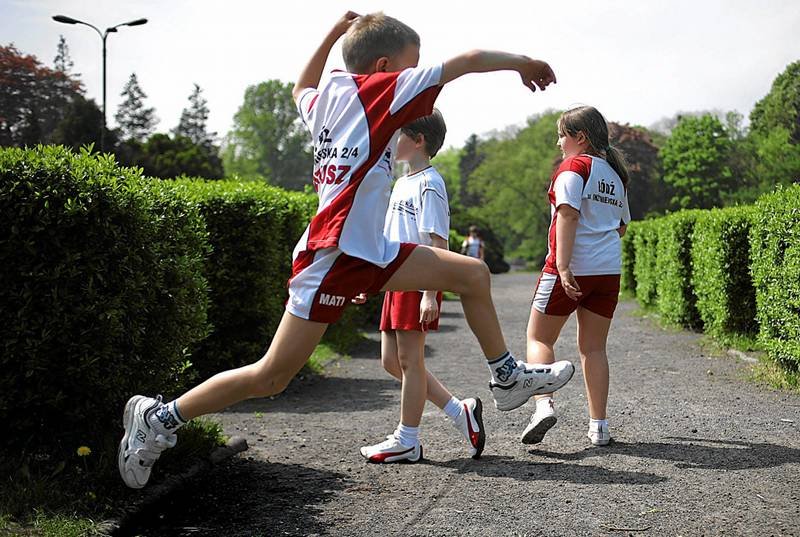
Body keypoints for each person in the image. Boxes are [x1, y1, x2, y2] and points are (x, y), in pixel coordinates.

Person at [118, 11, 575, 489]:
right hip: (334, 256)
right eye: (407, 67)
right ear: (382, 67)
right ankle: (160, 417)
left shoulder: (326, 101)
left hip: (371, 251)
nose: (412, 79)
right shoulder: (382, 91)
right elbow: (468, 61)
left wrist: (333, 34)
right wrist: (523, 62)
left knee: (473, 275)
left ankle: (506, 377)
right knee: (271, 377)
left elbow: (299, 88)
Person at [357, 109, 484, 463]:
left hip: (419, 279)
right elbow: (388, 238)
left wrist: (431, 293)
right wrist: (370, 280)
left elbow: (436, 243)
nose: (392, 139)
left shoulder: (431, 183)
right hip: (395, 278)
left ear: (418, 140)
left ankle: (407, 439)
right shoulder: (401, 182)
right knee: (391, 362)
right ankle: (460, 411)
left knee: (411, 362)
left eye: (398, 133)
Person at [520, 105, 631, 447]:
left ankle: (543, 407)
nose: (558, 143)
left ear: (579, 137)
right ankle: (599, 427)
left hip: (569, 269)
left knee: (539, 339)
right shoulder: (615, 176)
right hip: (607, 271)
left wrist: (564, 266)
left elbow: (566, 216)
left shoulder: (573, 168)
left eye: (561, 135)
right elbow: (622, 227)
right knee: (594, 348)